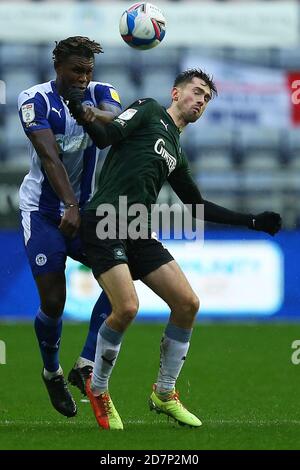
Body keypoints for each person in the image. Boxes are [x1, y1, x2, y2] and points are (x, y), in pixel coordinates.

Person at [66, 69, 282, 430]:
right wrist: (83, 113)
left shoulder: (176, 151)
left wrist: (252, 221)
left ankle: (164, 393)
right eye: (196, 92)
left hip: (137, 229)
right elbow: (107, 136)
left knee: (187, 303)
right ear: (176, 93)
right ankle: (98, 388)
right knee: (127, 308)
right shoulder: (150, 110)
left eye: (206, 98)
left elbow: (195, 205)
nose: (200, 101)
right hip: (104, 220)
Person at [18, 36, 122, 418]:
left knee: (124, 276)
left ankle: (85, 363)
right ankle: (52, 372)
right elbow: (48, 156)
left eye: (88, 70)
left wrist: (92, 113)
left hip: (87, 211)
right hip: (43, 211)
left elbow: (115, 120)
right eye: (77, 70)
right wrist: (71, 204)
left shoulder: (101, 92)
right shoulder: (34, 100)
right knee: (53, 302)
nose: (83, 77)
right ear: (57, 67)